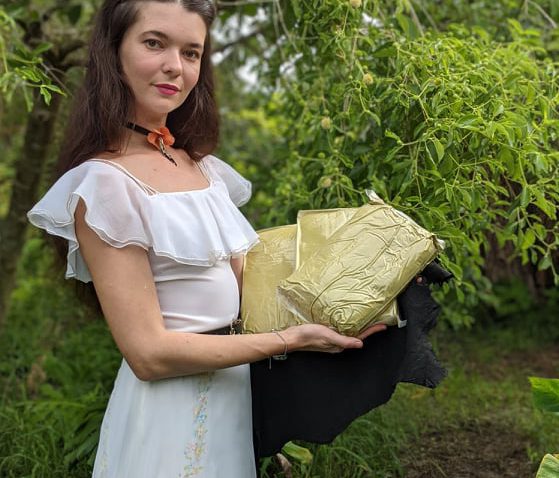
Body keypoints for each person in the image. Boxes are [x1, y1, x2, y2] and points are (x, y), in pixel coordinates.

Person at [27, 1, 387, 476]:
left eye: (192, 52)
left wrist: (351, 302)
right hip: (166, 419)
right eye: (155, 43)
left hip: (233, 402)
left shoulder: (201, 167)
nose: (175, 66)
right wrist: (289, 339)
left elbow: (253, 298)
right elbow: (149, 355)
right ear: (112, 51)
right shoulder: (105, 184)